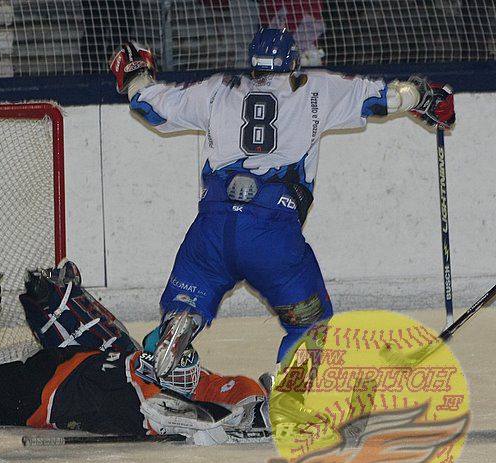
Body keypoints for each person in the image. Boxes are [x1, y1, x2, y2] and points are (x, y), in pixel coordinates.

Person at [109, 28, 455, 379]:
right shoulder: (316, 88)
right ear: (292, 62)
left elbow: (147, 104)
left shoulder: (218, 88)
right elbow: (389, 98)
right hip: (272, 231)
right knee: (310, 324)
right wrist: (425, 95)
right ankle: (288, 391)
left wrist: (136, 72)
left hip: (213, 227)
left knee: (195, 288)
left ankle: (184, 317)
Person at [0, 260, 269, 445]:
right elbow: (175, 415)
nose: (188, 373)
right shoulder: (155, 401)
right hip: (44, 392)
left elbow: (233, 387)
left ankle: (45, 297)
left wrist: (256, 405)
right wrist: (226, 423)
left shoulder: (176, 374)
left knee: (122, 348)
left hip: (81, 363)